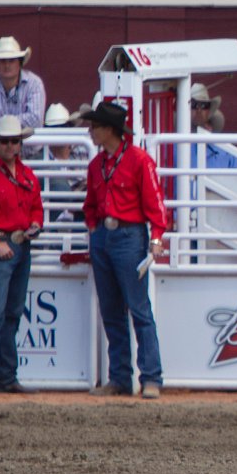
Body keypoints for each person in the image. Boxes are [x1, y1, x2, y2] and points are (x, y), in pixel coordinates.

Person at [81, 102, 168, 399]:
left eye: (95, 126)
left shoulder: (139, 161)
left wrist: (155, 238)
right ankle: (122, 377)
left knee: (137, 309)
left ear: (109, 130)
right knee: (113, 310)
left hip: (129, 236)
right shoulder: (100, 164)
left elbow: (155, 206)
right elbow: (90, 204)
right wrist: (94, 227)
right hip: (109, 236)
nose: (91, 132)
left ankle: (149, 377)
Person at [0, 116, 43, 394]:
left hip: (19, 244)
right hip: (3, 243)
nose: (11, 146)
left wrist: (36, 224)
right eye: (6, 141)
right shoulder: (23, 174)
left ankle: (6, 375)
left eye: (15, 141)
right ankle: (3, 375)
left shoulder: (26, 174)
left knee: (10, 313)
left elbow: (36, 207)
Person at [0, 36, 46, 132]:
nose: (7, 65)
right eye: (2, 61)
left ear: (20, 63)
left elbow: (35, 119)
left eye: (11, 61)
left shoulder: (34, 83)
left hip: (29, 145)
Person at [190, 83, 237, 169]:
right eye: (194, 104)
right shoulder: (172, 149)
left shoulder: (226, 152)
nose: (199, 109)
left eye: (204, 105)